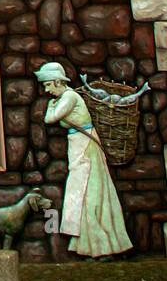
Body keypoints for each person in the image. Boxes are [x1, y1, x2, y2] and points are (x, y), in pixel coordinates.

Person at [35, 61, 132, 259]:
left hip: (86, 148)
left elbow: (51, 118)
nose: (46, 90)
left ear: (56, 81)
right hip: (78, 145)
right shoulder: (65, 97)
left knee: (91, 194)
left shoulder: (69, 97)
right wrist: (52, 107)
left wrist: (51, 107)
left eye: (47, 85)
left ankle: (104, 245)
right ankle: (91, 245)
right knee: (84, 195)